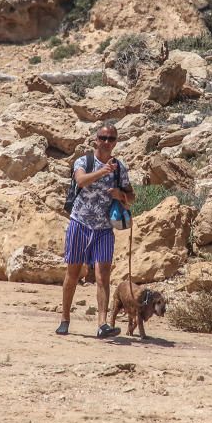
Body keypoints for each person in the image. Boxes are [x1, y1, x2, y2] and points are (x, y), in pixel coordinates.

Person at [56, 124, 134, 338]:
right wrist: (103, 171)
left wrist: (122, 195)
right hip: (80, 224)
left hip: (104, 229)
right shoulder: (84, 162)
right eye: (103, 137)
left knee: (103, 276)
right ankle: (65, 319)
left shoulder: (121, 168)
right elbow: (80, 180)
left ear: (116, 141)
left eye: (111, 138)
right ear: (96, 140)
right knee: (73, 274)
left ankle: (102, 324)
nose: (107, 142)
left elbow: (131, 196)